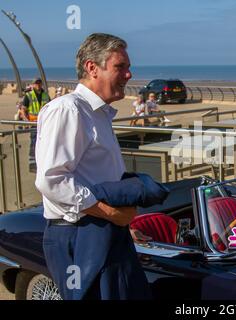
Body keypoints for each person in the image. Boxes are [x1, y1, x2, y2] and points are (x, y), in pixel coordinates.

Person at [34, 33, 154, 300]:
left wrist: (121, 225)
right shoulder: (68, 110)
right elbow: (51, 180)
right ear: (92, 68)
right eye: (120, 67)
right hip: (80, 236)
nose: (129, 75)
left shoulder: (98, 114)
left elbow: (97, 174)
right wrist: (110, 214)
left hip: (103, 229)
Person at [22, 78, 50, 171]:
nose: (38, 85)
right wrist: (26, 121)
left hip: (44, 124)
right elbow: (23, 110)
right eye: (36, 83)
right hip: (34, 123)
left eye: (39, 83)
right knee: (34, 142)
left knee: (44, 143)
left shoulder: (46, 95)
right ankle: (32, 164)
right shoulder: (29, 95)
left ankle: (41, 163)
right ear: (33, 85)